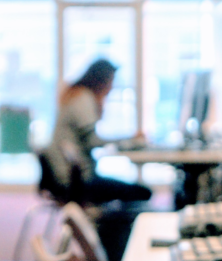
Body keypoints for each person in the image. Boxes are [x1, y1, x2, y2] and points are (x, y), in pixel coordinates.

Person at [45, 59, 152, 205]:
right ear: (101, 81)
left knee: (135, 190)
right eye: (111, 81)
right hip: (76, 182)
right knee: (143, 192)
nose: (112, 87)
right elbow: (93, 141)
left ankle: (112, 224)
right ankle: (117, 226)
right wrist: (130, 140)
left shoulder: (76, 95)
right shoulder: (83, 99)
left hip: (69, 178)